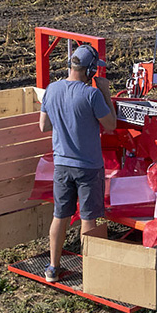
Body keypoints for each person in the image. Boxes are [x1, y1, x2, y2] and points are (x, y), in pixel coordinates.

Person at [38, 44, 117, 282]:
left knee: (60, 215)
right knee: (88, 218)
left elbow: (43, 126)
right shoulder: (92, 95)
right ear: (90, 70)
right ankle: (90, 271)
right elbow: (111, 125)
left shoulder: (52, 89)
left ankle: (53, 267)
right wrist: (106, 93)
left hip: (62, 166)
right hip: (88, 168)